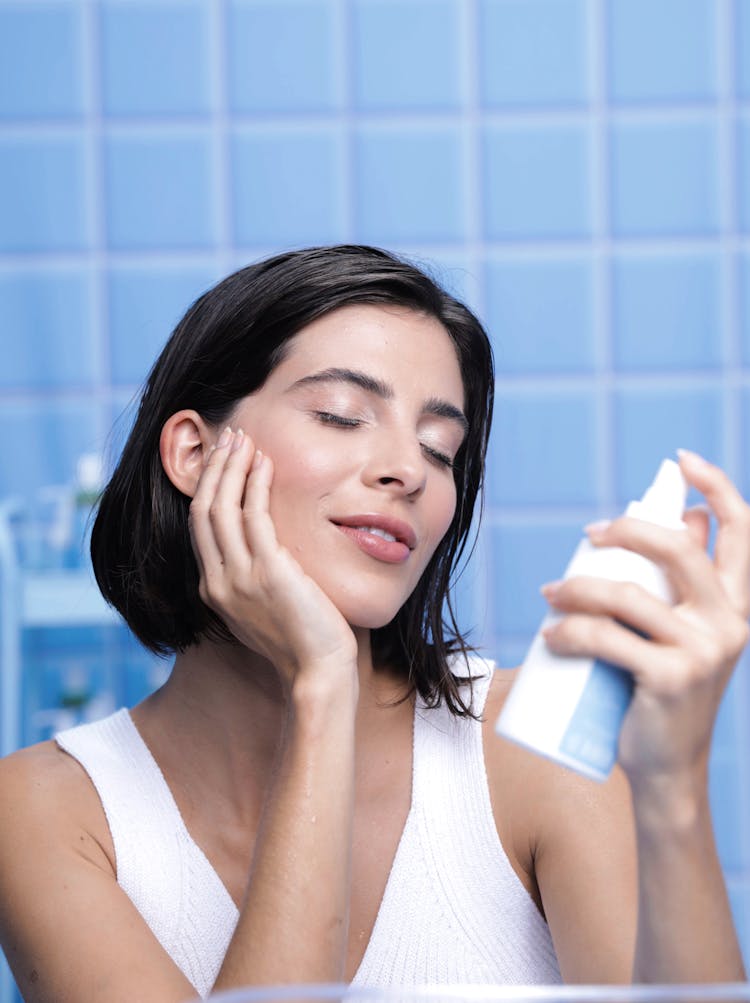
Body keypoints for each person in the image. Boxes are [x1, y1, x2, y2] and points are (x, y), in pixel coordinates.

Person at [0, 245, 747, 1002]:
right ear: (194, 452)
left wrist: (674, 786)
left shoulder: (531, 753)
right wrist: (321, 691)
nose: (408, 469)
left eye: (440, 447)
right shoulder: (41, 811)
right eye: (341, 415)